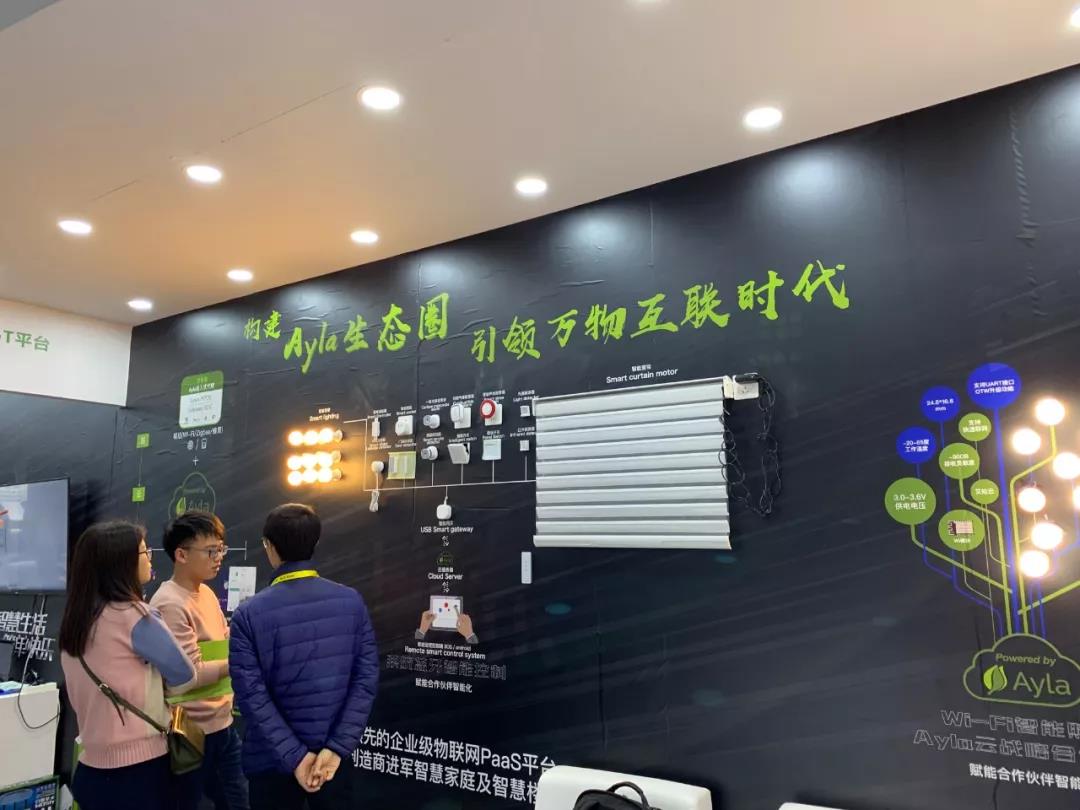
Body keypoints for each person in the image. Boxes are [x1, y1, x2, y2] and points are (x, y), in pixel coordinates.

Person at [230, 503, 378, 809]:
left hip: (271, 761)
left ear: (269, 546)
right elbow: (365, 682)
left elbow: (251, 697)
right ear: (316, 542)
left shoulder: (248, 614)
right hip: (331, 764)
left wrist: (295, 757)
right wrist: (336, 748)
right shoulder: (351, 602)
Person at [59, 521, 198, 810]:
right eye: (144, 552)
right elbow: (185, 675)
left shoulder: (74, 621)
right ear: (121, 564)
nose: (150, 559)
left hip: (89, 769)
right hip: (141, 771)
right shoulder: (136, 617)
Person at [150, 512, 248, 810]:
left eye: (221, 549)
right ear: (181, 554)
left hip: (222, 724)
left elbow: (223, 642)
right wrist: (237, 662)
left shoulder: (205, 592)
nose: (218, 558)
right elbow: (187, 675)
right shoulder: (169, 603)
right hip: (191, 732)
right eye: (210, 551)